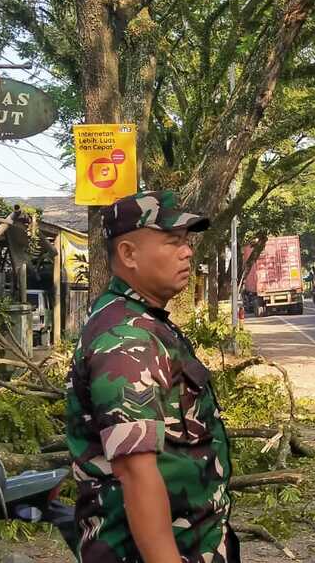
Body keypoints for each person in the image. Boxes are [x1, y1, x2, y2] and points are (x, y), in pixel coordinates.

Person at [66, 191, 237, 563]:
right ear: (128, 254)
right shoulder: (126, 339)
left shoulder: (144, 322)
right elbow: (136, 473)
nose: (187, 251)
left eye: (187, 241)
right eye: (173, 241)